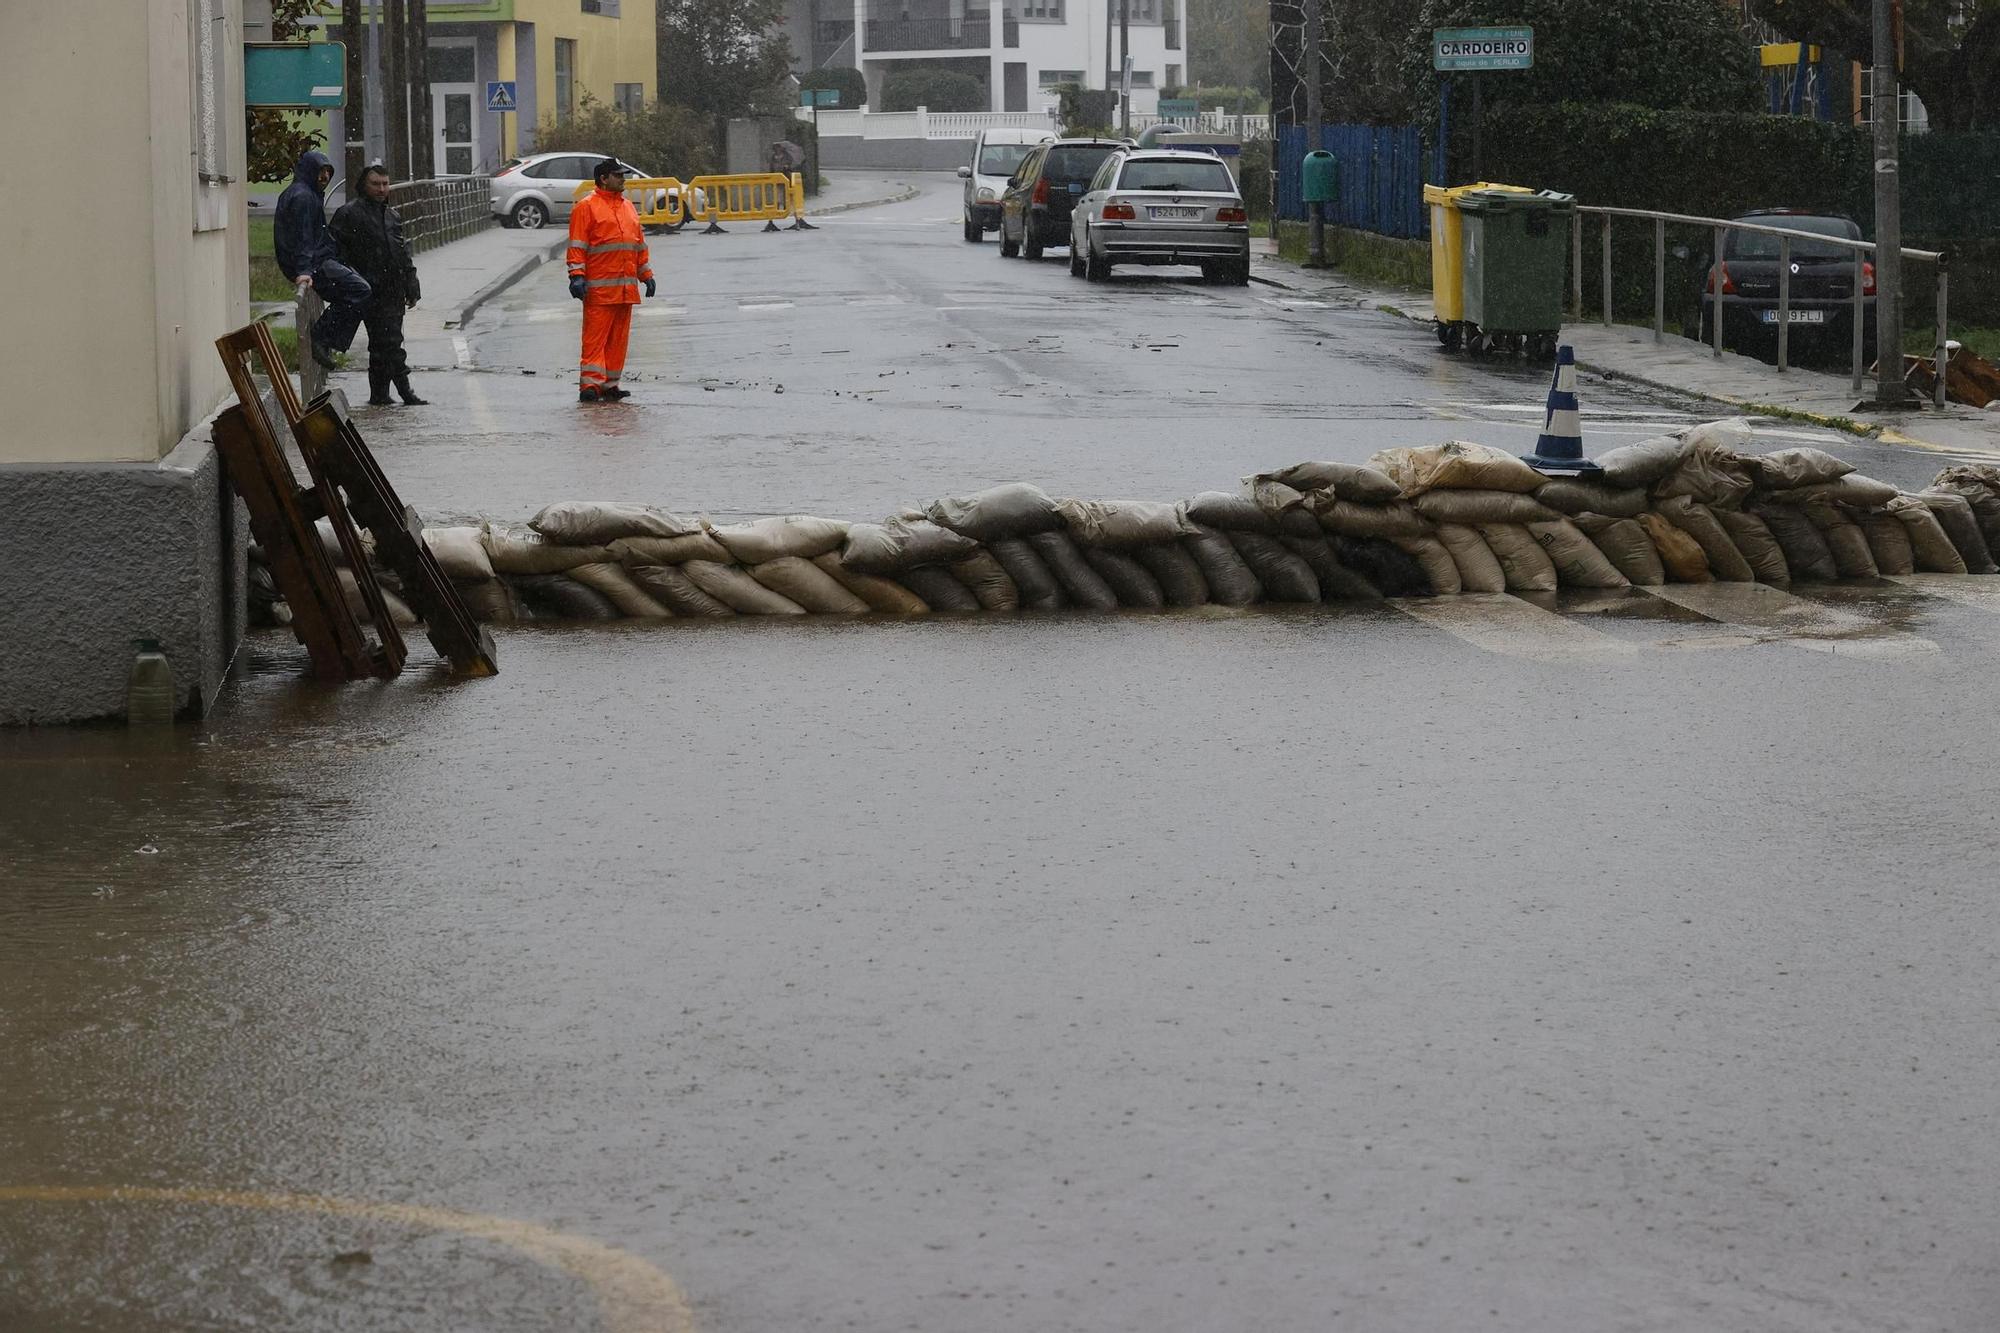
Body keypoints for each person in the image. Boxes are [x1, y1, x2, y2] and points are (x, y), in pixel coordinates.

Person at [330, 163, 426, 406]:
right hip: (366, 289)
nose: (381, 189)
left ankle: (380, 395)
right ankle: (404, 392)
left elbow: (402, 253)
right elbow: (333, 251)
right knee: (389, 343)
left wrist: (411, 283)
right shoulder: (349, 213)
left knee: (387, 343)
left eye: (385, 184)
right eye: (376, 184)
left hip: (392, 290)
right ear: (364, 185)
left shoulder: (392, 216)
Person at [273, 148, 371, 372]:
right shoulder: (303, 197)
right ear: (310, 171)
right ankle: (322, 339)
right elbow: (303, 237)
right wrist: (304, 270)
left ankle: (326, 341)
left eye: (328, 172)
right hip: (313, 263)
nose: (325, 177)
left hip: (315, 259)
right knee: (360, 290)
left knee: (354, 291)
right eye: (320, 172)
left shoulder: (305, 193)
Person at [566, 159, 654, 403]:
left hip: (625, 289)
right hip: (599, 290)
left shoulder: (627, 207)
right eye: (618, 176)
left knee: (618, 341)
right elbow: (577, 245)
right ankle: (591, 386)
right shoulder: (587, 207)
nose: (623, 180)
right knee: (595, 340)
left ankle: (610, 385)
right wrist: (576, 275)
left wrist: (646, 275)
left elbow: (638, 244)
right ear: (603, 178)